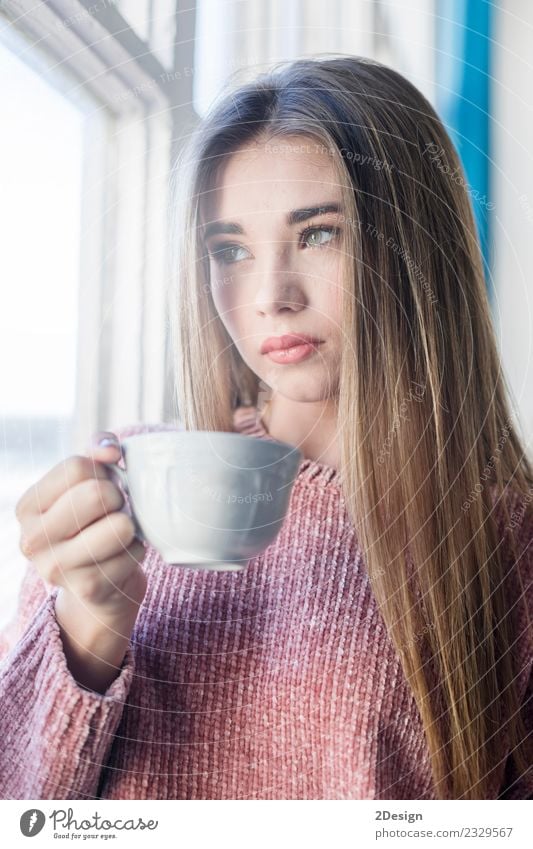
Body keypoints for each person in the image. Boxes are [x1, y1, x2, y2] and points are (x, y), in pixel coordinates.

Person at [1, 55, 531, 801]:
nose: (269, 296)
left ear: (416, 251)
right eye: (231, 251)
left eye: (317, 234)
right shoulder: (123, 499)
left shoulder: (508, 539)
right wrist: (86, 625)